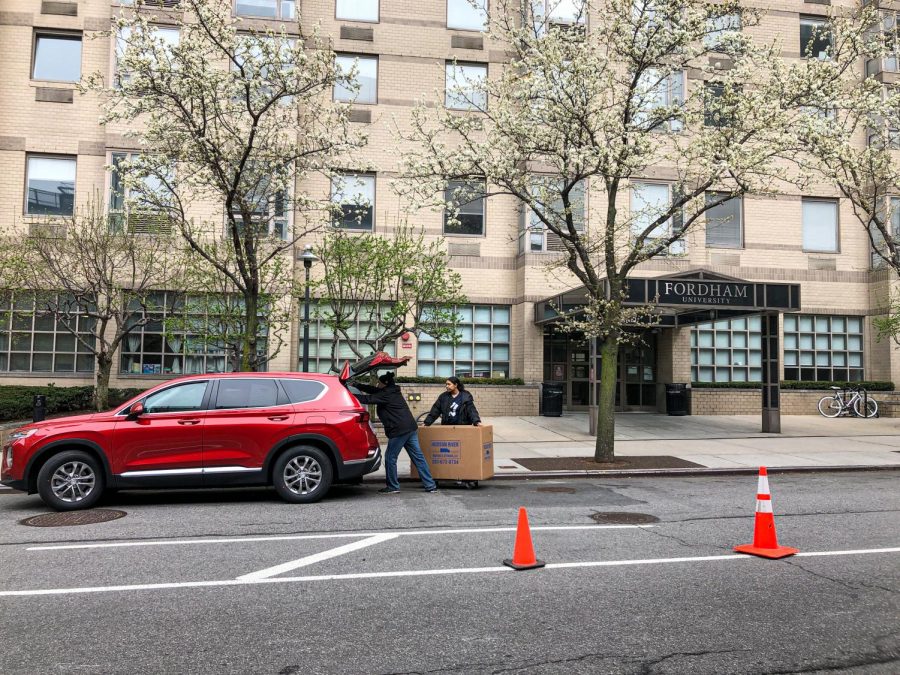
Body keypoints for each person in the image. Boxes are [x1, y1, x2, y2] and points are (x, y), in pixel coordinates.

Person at [353, 371, 437, 494]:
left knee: (390, 458)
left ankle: (393, 486)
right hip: (410, 428)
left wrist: (348, 394)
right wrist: (358, 385)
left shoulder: (386, 394)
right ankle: (430, 485)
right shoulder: (391, 391)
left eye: (379, 383)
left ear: (385, 384)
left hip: (399, 431)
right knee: (418, 458)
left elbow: (367, 398)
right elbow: (373, 390)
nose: (377, 385)